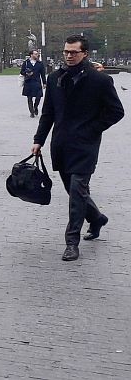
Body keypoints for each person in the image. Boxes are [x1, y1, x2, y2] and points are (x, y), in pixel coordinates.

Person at [31, 34, 124, 262]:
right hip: (61, 144)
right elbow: (48, 114)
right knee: (75, 191)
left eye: (74, 52)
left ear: (85, 54)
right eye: (66, 52)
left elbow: (116, 112)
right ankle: (97, 218)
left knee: (76, 193)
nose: (69, 56)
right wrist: (38, 140)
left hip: (85, 146)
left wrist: (92, 129)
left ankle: (72, 242)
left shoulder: (99, 80)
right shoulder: (54, 79)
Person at [20, 49, 47, 117]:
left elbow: (43, 74)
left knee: (38, 96)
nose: (37, 55)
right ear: (31, 55)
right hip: (28, 82)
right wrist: (26, 73)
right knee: (29, 97)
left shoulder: (40, 63)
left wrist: (44, 83)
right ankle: (31, 112)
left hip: (37, 82)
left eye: (37, 54)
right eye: (35, 54)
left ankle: (35, 107)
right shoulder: (26, 63)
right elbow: (21, 72)